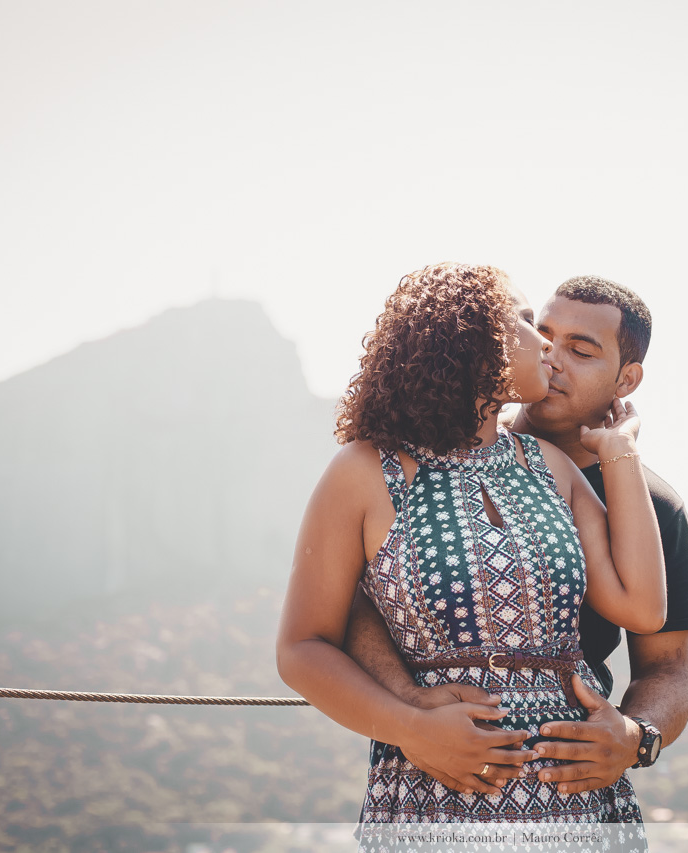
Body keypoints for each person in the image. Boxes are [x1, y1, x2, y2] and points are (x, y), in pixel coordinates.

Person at [275, 262, 667, 834]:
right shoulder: (364, 470)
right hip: (438, 792)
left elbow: (642, 606)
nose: (546, 348)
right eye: (529, 325)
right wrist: (408, 726)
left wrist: (619, 452)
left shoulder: (550, 467)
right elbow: (302, 648)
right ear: (472, 342)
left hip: (577, 800)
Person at [345, 274, 688, 798]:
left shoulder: (655, 508)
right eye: (542, 332)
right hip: (433, 772)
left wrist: (634, 737)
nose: (551, 355)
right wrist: (407, 712)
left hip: (569, 790)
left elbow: (668, 667)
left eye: (580, 350)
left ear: (626, 381)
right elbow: (350, 607)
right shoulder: (417, 459)